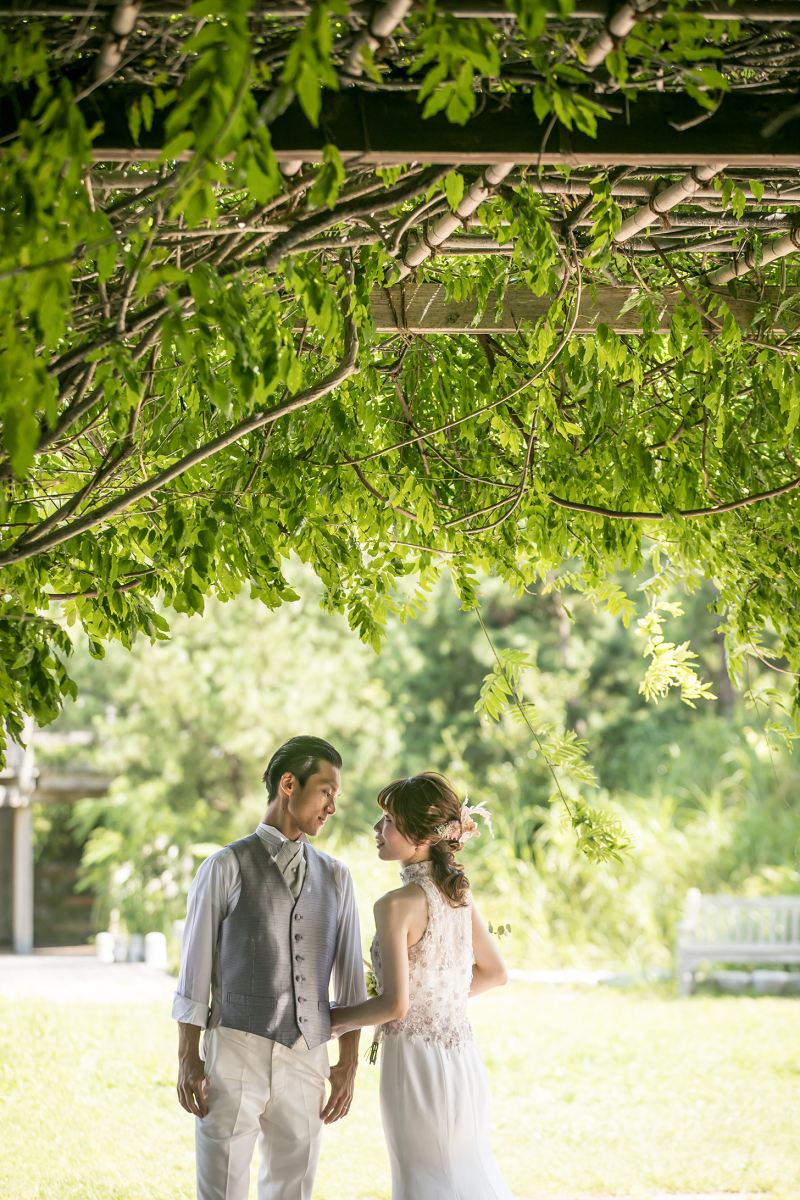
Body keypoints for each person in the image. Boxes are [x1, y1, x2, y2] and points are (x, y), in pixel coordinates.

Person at [173, 735, 367, 1200]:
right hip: (236, 1045)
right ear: (288, 783)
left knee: (292, 1188)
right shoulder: (224, 866)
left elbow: (350, 980)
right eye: (326, 791)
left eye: (336, 796)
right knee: (221, 1186)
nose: (332, 807)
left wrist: (348, 1063)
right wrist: (187, 1055)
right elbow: (195, 970)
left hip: (307, 1055)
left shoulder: (338, 876)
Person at [330, 772, 513, 1200]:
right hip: (461, 1056)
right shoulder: (459, 894)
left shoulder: (394, 906)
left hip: (413, 1063)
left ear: (421, 837)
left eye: (389, 821)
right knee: (462, 1172)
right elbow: (494, 972)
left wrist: (332, 1020)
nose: (377, 829)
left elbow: (395, 1005)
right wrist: (436, 1003)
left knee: (422, 1180)